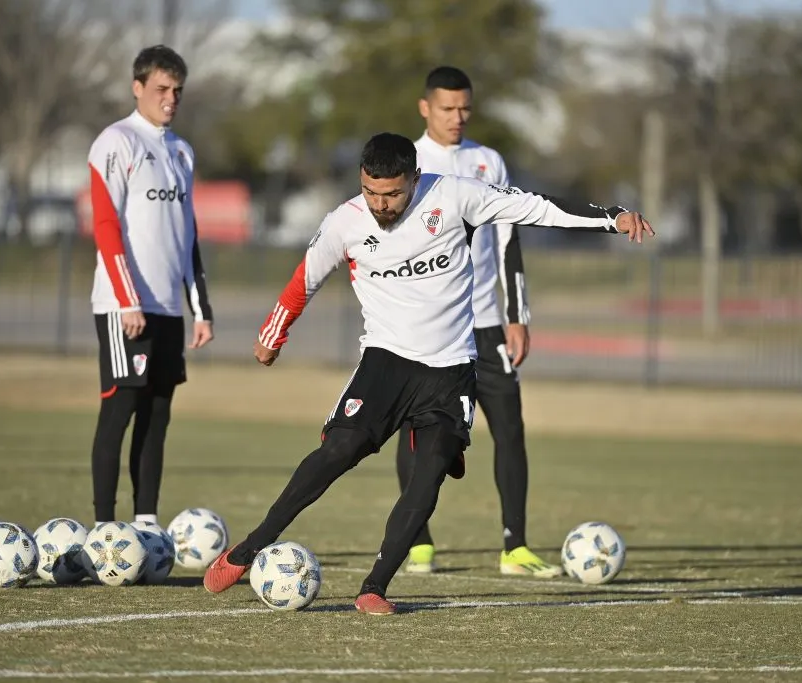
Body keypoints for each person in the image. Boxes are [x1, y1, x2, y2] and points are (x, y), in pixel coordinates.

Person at [203, 132, 652, 615]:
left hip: (450, 372)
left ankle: (375, 586)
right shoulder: (345, 222)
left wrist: (612, 218)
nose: (382, 204)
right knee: (339, 450)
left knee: (428, 474)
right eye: (372, 192)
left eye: (393, 194)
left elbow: (536, 207)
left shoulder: (456, 196)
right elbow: (303, 281)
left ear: (415, 178)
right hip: (385, 364)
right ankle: (248, 548)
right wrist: (273, 335)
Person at [400, 65, 556, 577]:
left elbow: (509, 237)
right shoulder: (408, 161)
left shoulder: (489, 161)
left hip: (488, 323)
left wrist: (517, 315)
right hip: (430, 327)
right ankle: (417, 539)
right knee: (420, 433)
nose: (457, 116)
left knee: (510, 429)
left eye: (465, 107)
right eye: (447, 108)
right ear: (426, 108)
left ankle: (515, 545)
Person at [87, 45, 214, 527]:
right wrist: (126, 299)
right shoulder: (115, 142)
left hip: (167, 310)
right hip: (126, 307)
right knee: (119, 411)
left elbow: (188, 235)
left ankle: (146, 525)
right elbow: (105, 225)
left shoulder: (182, 151)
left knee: (157, 418)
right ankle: (103, 528)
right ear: (137, 87)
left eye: (177, 90)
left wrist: (200, 309)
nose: (170, 98)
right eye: (161, 89)